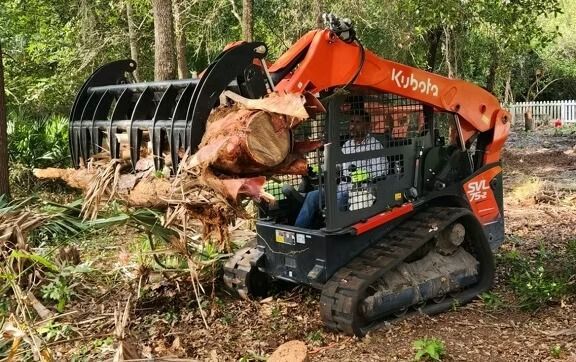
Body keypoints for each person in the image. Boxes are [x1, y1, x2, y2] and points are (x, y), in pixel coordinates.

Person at [294, 110, 388, 228]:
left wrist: (364, 175)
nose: (353, 126)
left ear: (367, 126)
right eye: (351, 122)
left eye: (358, 122)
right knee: (312, 196)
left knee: (340, 197)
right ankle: (299, 229)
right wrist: (320, 169)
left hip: (360, 191)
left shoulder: (375, 146)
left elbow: (382, 172)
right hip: (341, 187)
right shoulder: (347, 145)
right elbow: (337, 165)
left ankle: (330, 229)